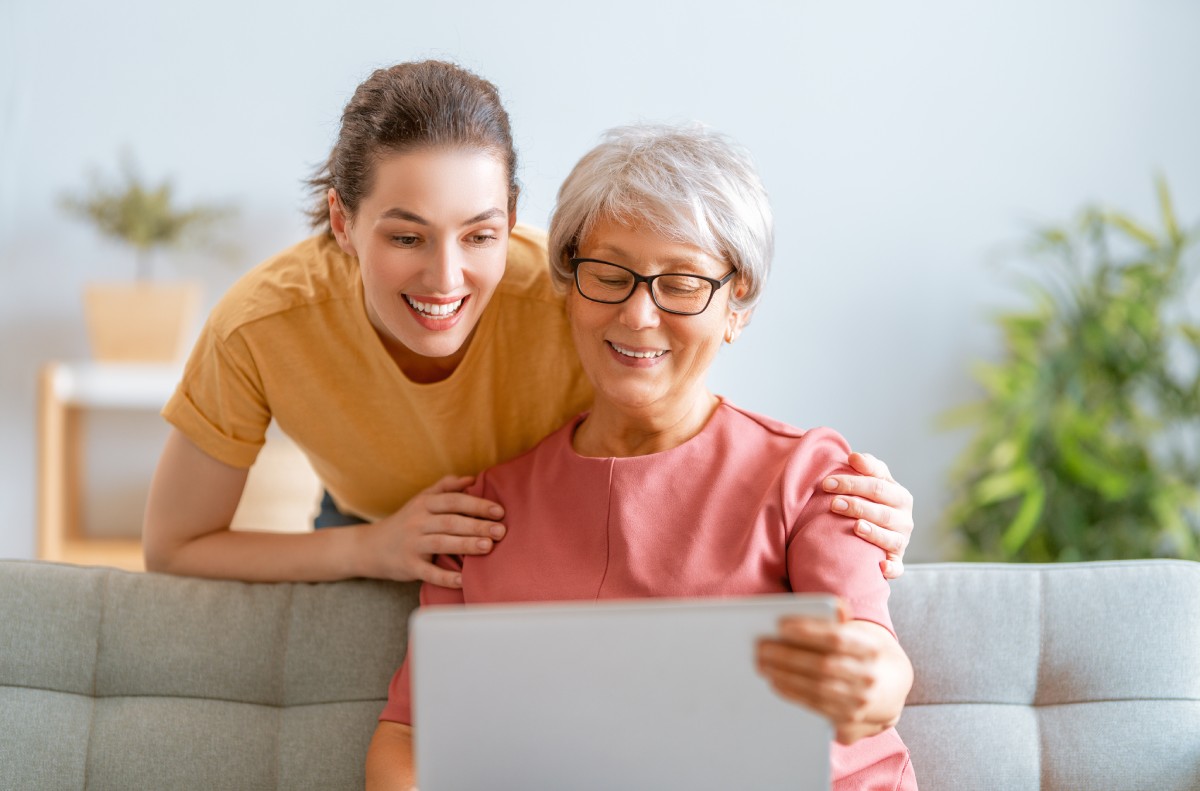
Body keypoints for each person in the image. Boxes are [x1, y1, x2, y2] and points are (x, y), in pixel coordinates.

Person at [144, 60, 915, 588]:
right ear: (344, 222)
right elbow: (175, 547)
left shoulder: (580, 292)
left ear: (513, 217)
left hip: (557, 528)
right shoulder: (262, 325)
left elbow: (685, 428)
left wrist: (836, 515)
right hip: (369, 522)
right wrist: (372, 547)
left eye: (479, 234)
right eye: (406, 236)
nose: (445, 279)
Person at [367, 123, 917, 790]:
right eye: (609, 274)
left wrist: (871, 682)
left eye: (681, 283)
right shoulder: (483, 515)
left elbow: (875, 654)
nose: (638, 315)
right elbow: (409, 734)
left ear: (735, 305)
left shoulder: (808, 477)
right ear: (569, 283)